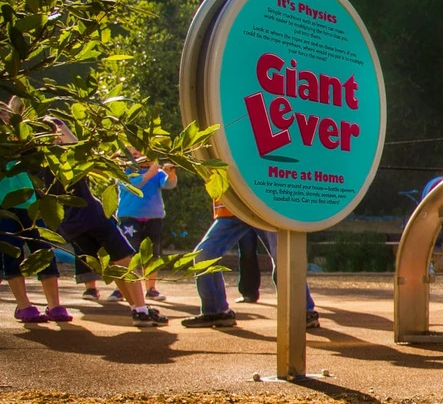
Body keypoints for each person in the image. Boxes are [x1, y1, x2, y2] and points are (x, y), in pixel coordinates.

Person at [44, 119, 166, 325]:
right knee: (125, 261)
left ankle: (137, 308)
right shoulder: (68, 156)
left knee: (113, 266)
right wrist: (59, 125)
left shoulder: (34, 164)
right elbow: (79, 146)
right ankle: (141, 310)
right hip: (92, 216)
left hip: (69, 224)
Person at [182, 199, 318, 330]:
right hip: (233, 209)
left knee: (283, 257)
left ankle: (303, 311)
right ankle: (216, 311)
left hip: (265, 206)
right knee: (203, 255)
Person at [1, 158, 67, 324]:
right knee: (12, 253)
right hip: (3, 207)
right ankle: (23, 305)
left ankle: (54, 305)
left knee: (44, 250)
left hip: (30, 204)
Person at [114, 157, 176, 302]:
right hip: (129, 218)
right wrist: (150, 173)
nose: (136, 156)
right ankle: (122, 288)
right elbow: (132, 186)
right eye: (132, 152)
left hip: (154, 218)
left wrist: (171, 174)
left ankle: (151, 288)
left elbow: (168, 184)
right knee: (127, 254)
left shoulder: (157, 172)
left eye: (139, 152)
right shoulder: (123, 172)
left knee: (152, 255)